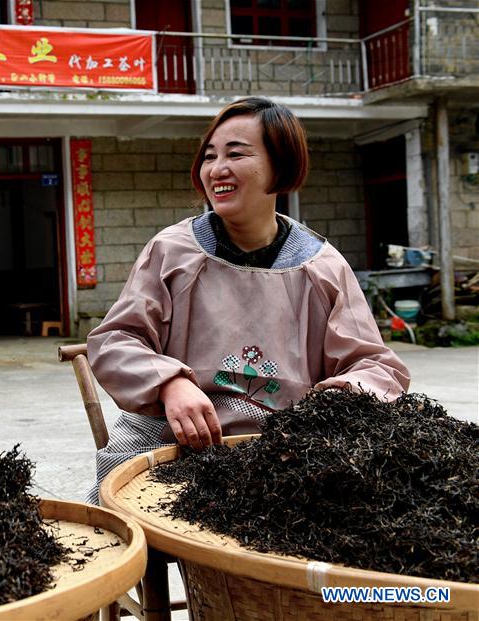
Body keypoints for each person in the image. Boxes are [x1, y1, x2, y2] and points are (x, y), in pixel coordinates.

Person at [86, 97, 409, 502]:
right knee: (114, 525)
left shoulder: (322, 266)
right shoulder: (172, 252)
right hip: (173, 432)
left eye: (236, 154)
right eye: (209, 156)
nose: (216, 169)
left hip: (283, 442)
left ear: (281, 165)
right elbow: (116, 340)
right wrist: (169, 383)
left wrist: (337, 397)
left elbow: (374, 365)